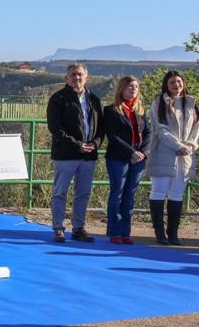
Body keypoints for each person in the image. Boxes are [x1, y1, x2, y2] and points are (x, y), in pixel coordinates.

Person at [46, 63, 104, 242]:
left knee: (83, 193)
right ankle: (58, 228)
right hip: (65, 155)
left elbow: (101, 127)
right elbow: (55, 128)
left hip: (88, 156)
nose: (76, 78)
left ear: (86, 77)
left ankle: (78, 228)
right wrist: (77, 144)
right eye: (73, 75)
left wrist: (95, 143)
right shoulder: (58, 99)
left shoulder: (94, 99)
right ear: (66, 78)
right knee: (60, 192)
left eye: (80, 75)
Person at [145, 70, 199, 246]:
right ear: (166, 85)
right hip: (163, 153)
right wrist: (178, 146)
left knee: (177, 193)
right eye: (172, 82)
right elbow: (160, 129)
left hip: (184, 157)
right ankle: (159, 233)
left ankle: (173, 233)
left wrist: (191, 145)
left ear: (183, 83)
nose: (176, 85)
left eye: (178, 82)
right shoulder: (158, 103)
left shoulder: (192, 104)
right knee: (159, 191)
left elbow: (196, 129)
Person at [102, 76, 150, 245]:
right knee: (117, 194)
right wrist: (132, 152)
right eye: (130, 86)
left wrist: (142, 152)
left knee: (129, 196)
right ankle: (114, 231)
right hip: (118, 158)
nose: (133, 89)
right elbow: (113, 136)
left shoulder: (141, 111)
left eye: (136, 87)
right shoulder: (111, 110)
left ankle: (125, 232)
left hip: (139, 160)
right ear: (121, 89)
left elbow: (148, 133)